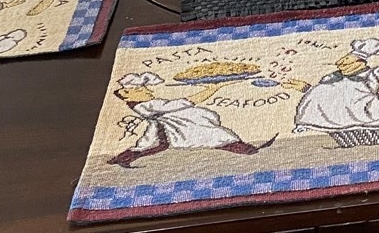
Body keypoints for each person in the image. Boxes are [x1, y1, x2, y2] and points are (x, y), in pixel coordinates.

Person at [107, 72, 276, 169]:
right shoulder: (149, 104)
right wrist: (212, 89)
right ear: (127, 94)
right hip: (178, 125)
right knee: (215, 134)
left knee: (151, 144)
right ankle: (247, 150)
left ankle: (122, 159)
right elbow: (185, 102)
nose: (147, 90)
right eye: (141, 89)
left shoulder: (144, 103)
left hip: (168, 125)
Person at [294, 48, 379, 148]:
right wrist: (306, 88)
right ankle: (350, 145)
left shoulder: (369, 73)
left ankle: (372, 143)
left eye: (346, 61)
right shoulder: (333, 77)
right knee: (338, 131)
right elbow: (322, 90)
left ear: (360, 63)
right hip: (333, 112)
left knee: (361, 130)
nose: (340, 64)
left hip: (359, 108)